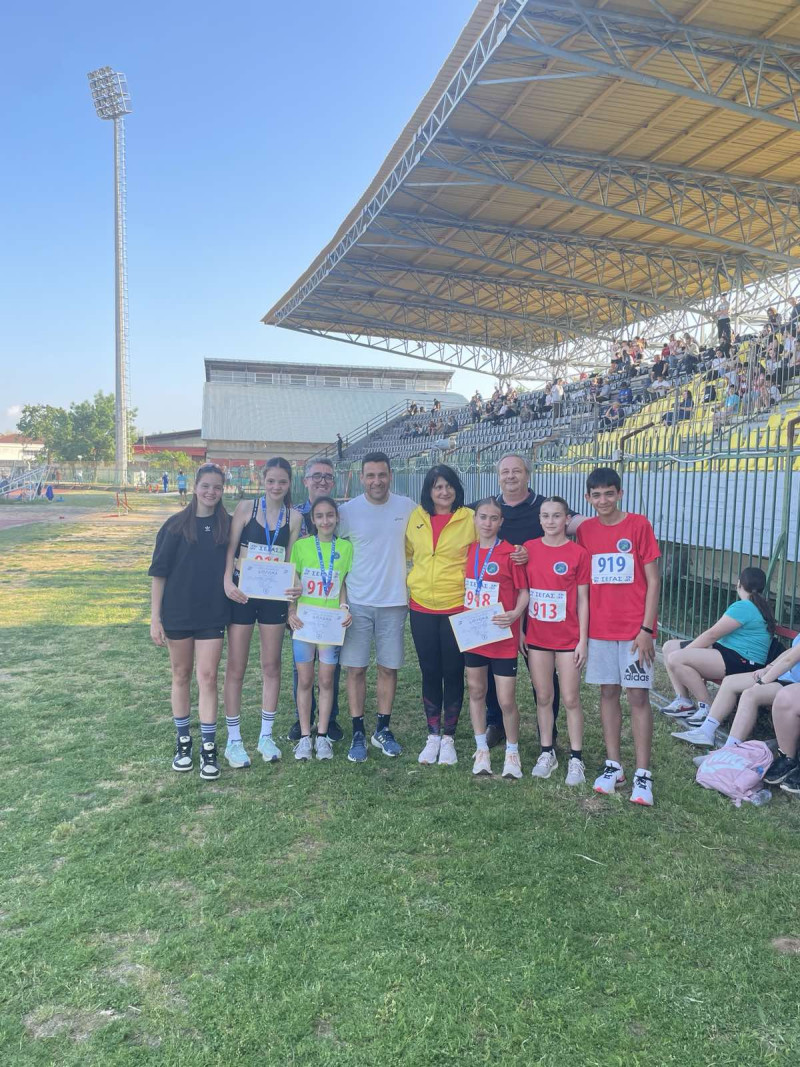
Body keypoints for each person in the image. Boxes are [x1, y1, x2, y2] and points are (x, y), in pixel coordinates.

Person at [471, 453, 584, 747]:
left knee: (545, 676)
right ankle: (496, 723)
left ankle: (549, 733)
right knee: (493, 669)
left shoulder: (543, 507)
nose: (510, 476)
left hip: (536, 607)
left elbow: (577, 523)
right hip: (499, 608)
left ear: (527, 475)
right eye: (505, 471)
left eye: (517, 471)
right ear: (498, 476)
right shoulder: (490, 507)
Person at [576, 467, 661, 806]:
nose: (603, 500)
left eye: (609, 493)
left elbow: (653, 580)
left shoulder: (639, 525)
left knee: (637, 697)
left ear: (620, 494)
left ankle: (643, 773)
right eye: (596, 495)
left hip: (634, 633)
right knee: (608, 692)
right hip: (600, 631)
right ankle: (614, 766)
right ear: (588, 498)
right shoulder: (585, 531)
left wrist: (646, 629)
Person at [148, 464, 231, 780]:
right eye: (206, 486)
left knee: (208, 677)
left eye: (217, 487)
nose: (211, 492)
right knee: (181, 674)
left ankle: (208, 747)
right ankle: (183, 742)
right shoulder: (175, 526)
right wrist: (155, 618)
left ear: (223, 490)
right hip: (178, 614)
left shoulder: (227, 525)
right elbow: (159, 574)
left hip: (212, 613)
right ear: (195, 487)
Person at [222, 457, 302, 768]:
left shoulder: (294, 517)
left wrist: (295, 590)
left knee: (271, 665)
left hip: (273, 597)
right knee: (236, 667)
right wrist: (227, 581)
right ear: (262, 480)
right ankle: (233, 740)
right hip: (242, 595)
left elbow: (291, 560)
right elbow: (230, 549)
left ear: (289, 483)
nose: (276, 486)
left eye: (282, 481)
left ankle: (266, 736)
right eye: (271, 481)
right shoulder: (246, 508)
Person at [337, 452, 415, 763]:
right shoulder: (347, 512)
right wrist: (341, 601)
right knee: (356, 668)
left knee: (388, 667)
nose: (376, 481)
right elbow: (333, 554)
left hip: (394, 601)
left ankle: (382, 729)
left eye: (382, 475)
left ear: (390, 475)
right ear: (361, 478)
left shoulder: (407, 507)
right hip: (357, 602)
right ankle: (358, 730)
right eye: (370, 475)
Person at [406, 465, 475, 766]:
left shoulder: (470, 518)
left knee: (453, 671)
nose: (444, 492)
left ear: (456, 488)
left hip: (456, 606)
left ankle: (449, 737)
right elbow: (408, 552)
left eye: (448, 486)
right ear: (429, 491)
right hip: (421, 606)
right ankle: (433, 734)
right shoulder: (416, 518)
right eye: (437, 487)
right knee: (430, 670)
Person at [524, 497, 590, 786]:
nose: (550, 521)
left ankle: (576, 758)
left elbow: (584, 600)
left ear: (566, 519)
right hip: (538, 638)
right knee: (544, 697)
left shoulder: (578, 553)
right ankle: (546, 751)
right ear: (539, 519)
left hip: (567, 639)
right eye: (545, 516)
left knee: (571, 698)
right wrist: (521, 631)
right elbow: (522, 591)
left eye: (556, 515)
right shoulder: (528, 549)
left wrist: (583, 640)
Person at [662, 567, 774, 734]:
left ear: (739, 584)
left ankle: (707, 707)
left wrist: (685, 653)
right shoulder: (755, 606)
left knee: (675, 658)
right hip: (730, 653)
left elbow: (712, 635)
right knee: (669, 647)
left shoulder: (744, 606)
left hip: (742, 661)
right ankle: (684, 702)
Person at [464, 498, 529, 779]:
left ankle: (512, 752)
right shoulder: (468, 550)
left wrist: (515, 613)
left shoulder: (510, 553)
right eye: (483, 517)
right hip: (474, 634)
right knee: (476, 691)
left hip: (502, 636)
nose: (487, 523)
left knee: (506, 700)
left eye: (493, 518)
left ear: (501, 522)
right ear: (475, 519)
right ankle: (482, 748)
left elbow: (524, 592)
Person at [287, 497, 353, 761]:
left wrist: (344, 607)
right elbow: (293, 583)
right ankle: (305, 736)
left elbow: (342, 582)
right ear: (313, 520)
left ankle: (323, 735)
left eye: (330, 515)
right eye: (320, 516)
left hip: (330, 626)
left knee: (326, 680)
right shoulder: (301, 546)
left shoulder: (346, 548)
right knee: (305, 680)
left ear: (337, 517)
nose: (325, 521)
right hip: (304, 624)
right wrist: (291, 611)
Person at [288, 457, 344, 742]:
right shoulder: (295, 515)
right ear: (305, 480)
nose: (322, 481)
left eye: (328, 476)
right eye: (317, 476)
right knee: (302, 669)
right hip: (302, 605)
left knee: (330, 669)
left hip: (330, 610)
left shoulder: (341, 514)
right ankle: (303, 720)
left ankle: (328, 719)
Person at [674, 635, 800, 753]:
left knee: (751, 694)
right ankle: (706, 731)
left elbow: (789, 660)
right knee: (730, 682)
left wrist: (763, 681)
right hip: (783, 674)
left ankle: (729, 749)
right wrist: (769, 667)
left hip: (794, 684)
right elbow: (791, 652)